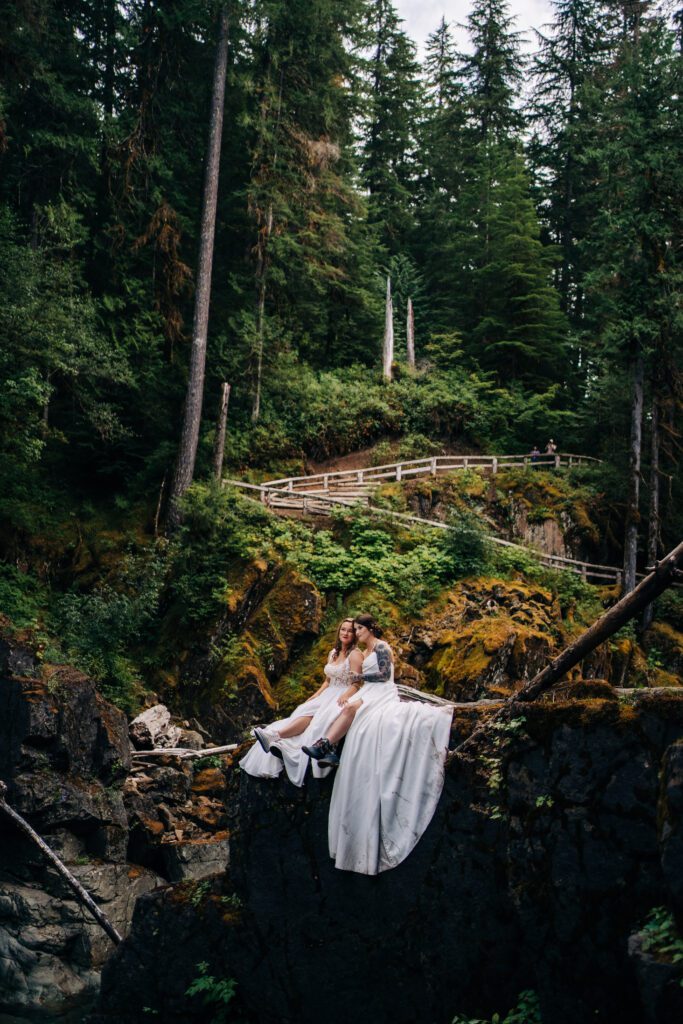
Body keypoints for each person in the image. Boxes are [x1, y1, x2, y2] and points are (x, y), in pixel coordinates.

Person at [306, 614, 453, 875]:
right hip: (367, 692)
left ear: (370, 628)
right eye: (355, 629)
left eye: (360, 628)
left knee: (352, 710)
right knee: (347, 709)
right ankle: (327, 745)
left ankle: (327, 744)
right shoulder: (365, 650)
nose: (357, 632)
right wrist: (357, 680)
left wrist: (360, 677)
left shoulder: (382, 647)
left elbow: (385, 674)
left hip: (382, 691)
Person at [239, 619, 362, 787]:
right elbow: (327, 680)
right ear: (339, 631)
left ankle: (277, 737)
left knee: (318, 721)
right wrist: (316, 695)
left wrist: (346, 695)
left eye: (350, 631)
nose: (345, 633)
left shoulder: (355, 654)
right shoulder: (334, 652)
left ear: (355, 634)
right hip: (328, 692)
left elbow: (357, 683)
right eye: (343, 629)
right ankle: (274, 736)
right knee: (304, 710)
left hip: (343, 694)